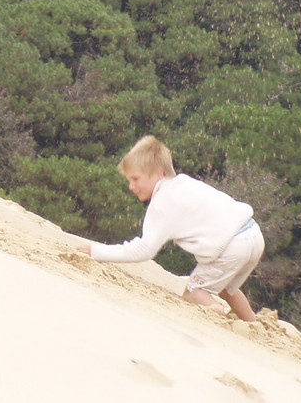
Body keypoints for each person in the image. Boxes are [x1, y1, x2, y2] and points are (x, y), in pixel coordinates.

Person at [76, 135, 263, 321]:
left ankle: (215, 314)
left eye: (135, 179)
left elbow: (143, 250)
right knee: (225, 286)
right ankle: (252, 323)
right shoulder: (184, 183)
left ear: (159, 174)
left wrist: (95, 251)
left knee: (194, 292)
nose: (131, 186)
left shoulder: (162, 202)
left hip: (231, 246)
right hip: (252, 234)